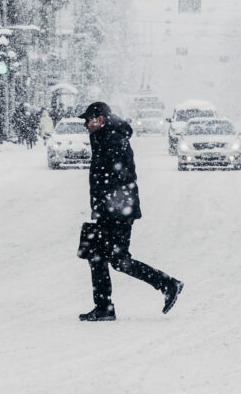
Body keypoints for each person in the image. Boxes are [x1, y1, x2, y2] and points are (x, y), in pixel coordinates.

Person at [77, 101, 183, 322]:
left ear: (100, 119)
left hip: (116, 212)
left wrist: (109, 209)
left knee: (115, 259)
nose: (85, 124)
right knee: (98, 256)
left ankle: (167, 284)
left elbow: (120, 178)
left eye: (88, 120)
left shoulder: (113, 138)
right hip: (112, 210)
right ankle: (104, 307)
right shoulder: (105, 136)